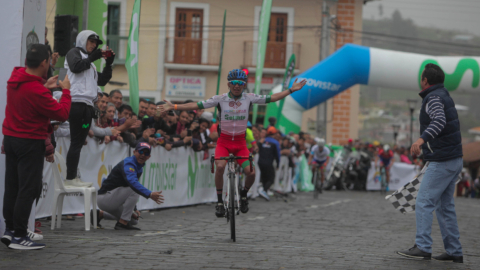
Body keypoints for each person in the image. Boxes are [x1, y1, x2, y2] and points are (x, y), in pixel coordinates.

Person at [159, 69, 306, 217]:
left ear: (244, 85)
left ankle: (243, 195)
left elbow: (273, 98)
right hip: (224, 143)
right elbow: (197, 105)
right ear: (229, 84)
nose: (237, 86)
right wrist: (174, 107)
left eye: (241, 83)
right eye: (234, 83)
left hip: (241, 144)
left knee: (251, 173)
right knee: (221, 167)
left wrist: (291, 90)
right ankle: (219, 202)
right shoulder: (220, 99)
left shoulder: (249, 98)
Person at [1, 44, 71, 250]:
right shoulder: (37, 91)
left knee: (12, 187)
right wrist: (65, 92)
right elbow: (62, 113)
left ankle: (11, 230)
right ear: (44, 63)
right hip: (29, 141)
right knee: (28, 189)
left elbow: (31, 90)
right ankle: (20, 236)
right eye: (49, 60)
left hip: (11, 139)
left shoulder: (16, 78)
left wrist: (45, 86)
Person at [396, 63, 464, 263]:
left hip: (442, 160)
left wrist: (420, 140)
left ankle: (423, 247)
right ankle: (454, 251)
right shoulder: (444, 95)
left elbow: (439, 121)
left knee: (424, 201)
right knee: (445, 207)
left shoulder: (432, 98)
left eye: (422, 78)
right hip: (454, 159)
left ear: (425, 81)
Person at [64, 30, 114, 187]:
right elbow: (75, 66)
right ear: (82, 40)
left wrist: (109, 63)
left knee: (78, 142)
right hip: (76, 104)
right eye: (91, 41)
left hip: (87, 108)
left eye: (96, 43)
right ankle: (70, 177)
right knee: (76, 142)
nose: (94, 45)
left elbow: (103, 80)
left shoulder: (91, 65)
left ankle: (73, 176)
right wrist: (95, 56)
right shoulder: (74, 53)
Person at [96, 142, 164, 230]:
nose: (143, 155)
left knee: (134, 220)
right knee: (134, 189)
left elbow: (129, 188)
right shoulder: (129, 164)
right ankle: (122, 224)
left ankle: (100, 214)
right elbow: (132, 184)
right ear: (134, 152)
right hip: (105, 198)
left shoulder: (138, 166)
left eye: (146, 153)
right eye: (140, 152)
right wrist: (150, 194)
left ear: (149, 157)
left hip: (112, 198)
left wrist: (134, 208)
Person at [257, 127, 281, 201]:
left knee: (264, 178)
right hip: (269, 163)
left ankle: (264, 192)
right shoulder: (275, 142)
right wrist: (278, 164)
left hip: (260, 162)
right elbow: (278, 154)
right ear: (274, 134)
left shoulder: (263, 140)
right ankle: (263, 190)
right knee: (271, 179)